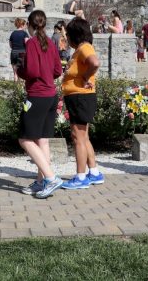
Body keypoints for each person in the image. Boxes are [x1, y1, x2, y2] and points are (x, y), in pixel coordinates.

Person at [17, 10, 64, 199]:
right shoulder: (51, 44)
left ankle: (51, 178)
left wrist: (19, 69)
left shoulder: (31, 44)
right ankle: (40, 181)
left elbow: (32, 71)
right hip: (51, 95)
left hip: (37, 96)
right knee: (42, 139)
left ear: (29, 24)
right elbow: (57, 70)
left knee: (24, 139)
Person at [61, 17, 103, 190]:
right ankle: (93, 172)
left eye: (68, 35)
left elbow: (95, 63)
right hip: (79, 97)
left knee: (77, 137)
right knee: (83, 136)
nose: (66, 38)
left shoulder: (84, 47)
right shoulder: (80, 49)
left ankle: (80, 176)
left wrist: (85, 77)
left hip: (80, 97)